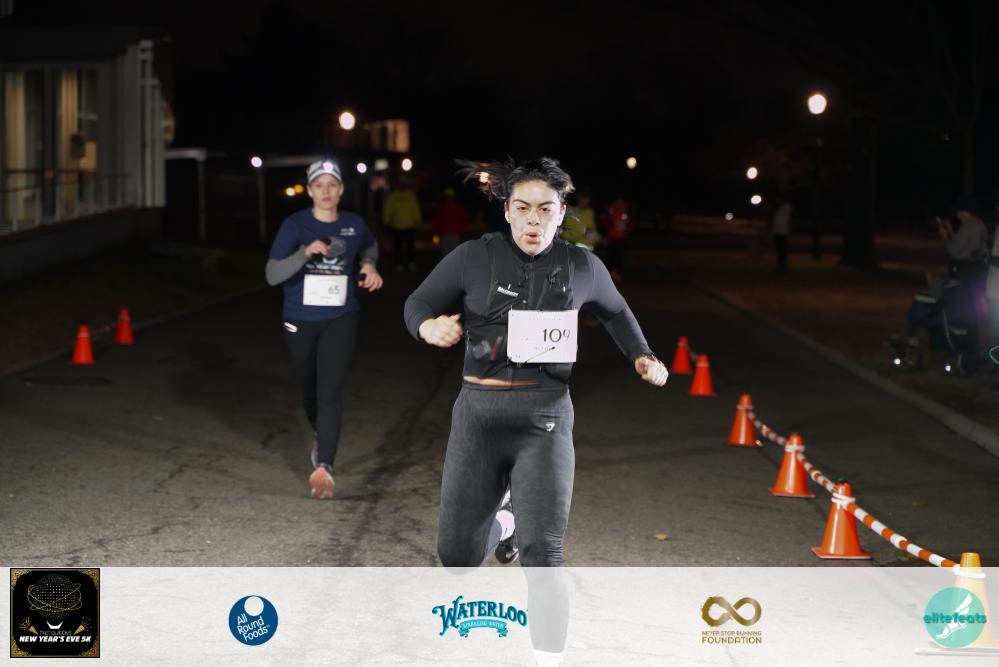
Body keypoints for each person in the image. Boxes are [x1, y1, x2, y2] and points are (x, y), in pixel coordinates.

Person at [404, 157, 668, 665]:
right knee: (457, 560)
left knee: (544, 555)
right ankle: (503, 524)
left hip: (544, 420)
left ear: (561, 212)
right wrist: (427, 327)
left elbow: (615, 310)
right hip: (478, 417)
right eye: (523, 208)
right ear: (506, 210)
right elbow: (416, 302)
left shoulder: (583, 266)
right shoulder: (472, 257)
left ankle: (550, 657)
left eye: (546, 209)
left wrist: (642, 355)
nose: (533, 220)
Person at [265, 159, 383, 499]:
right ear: (310, 190)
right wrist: (305, 253)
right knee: (310, 389)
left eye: (332, 184)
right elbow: (272, 274)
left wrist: (369, 265)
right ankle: (322, 433)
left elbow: (369, 244)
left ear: (341, 189)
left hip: (340, 317)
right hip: (299, 319)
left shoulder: (353, 224)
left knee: (329, 391)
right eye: (319, 185)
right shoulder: (295, 225)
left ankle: (325, 465)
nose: (326, 191)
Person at [383, 177, 423, 271]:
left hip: (409, 225)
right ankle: (399, 263)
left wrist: (418, 221)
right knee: (397, 246)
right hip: (396, 225)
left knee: (410, 246)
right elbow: (388, 209)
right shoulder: (392, 196)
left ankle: (411, 262)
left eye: (404, 184)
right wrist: (386, 221)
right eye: (400, 184)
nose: (402, 185)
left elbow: (415, 209)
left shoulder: (410, 196)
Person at [600, 196, 634, 282]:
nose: (620, 202)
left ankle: (617, 272)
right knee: (610, 256)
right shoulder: (610, 209)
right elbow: (605, 222)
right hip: (611, 237)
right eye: (618, 201)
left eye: (622, 201)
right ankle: (610, 273)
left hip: (622, 238)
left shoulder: (627, 210)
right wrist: (606, 235)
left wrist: (626, 228)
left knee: (620, 256)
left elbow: (631, 223)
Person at [430, 187, 470, 256]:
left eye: (450, 197)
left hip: (455, 234)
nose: (449, 198)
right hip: (445, 234)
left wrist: (461, 230)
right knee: (446, 254)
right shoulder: (442, 208)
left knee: (455, 253)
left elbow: (465, 220)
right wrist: (436, 233)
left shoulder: (458, 208)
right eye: (447, 197)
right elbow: (437, 221)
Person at [771, 196, 792, 275]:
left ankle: (783, 266)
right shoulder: (776, 209)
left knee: (782, 250)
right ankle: (780, 265)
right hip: (776, 231)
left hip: (783, 231)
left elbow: (788, 219)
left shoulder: (787, 207)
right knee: (779, 249)